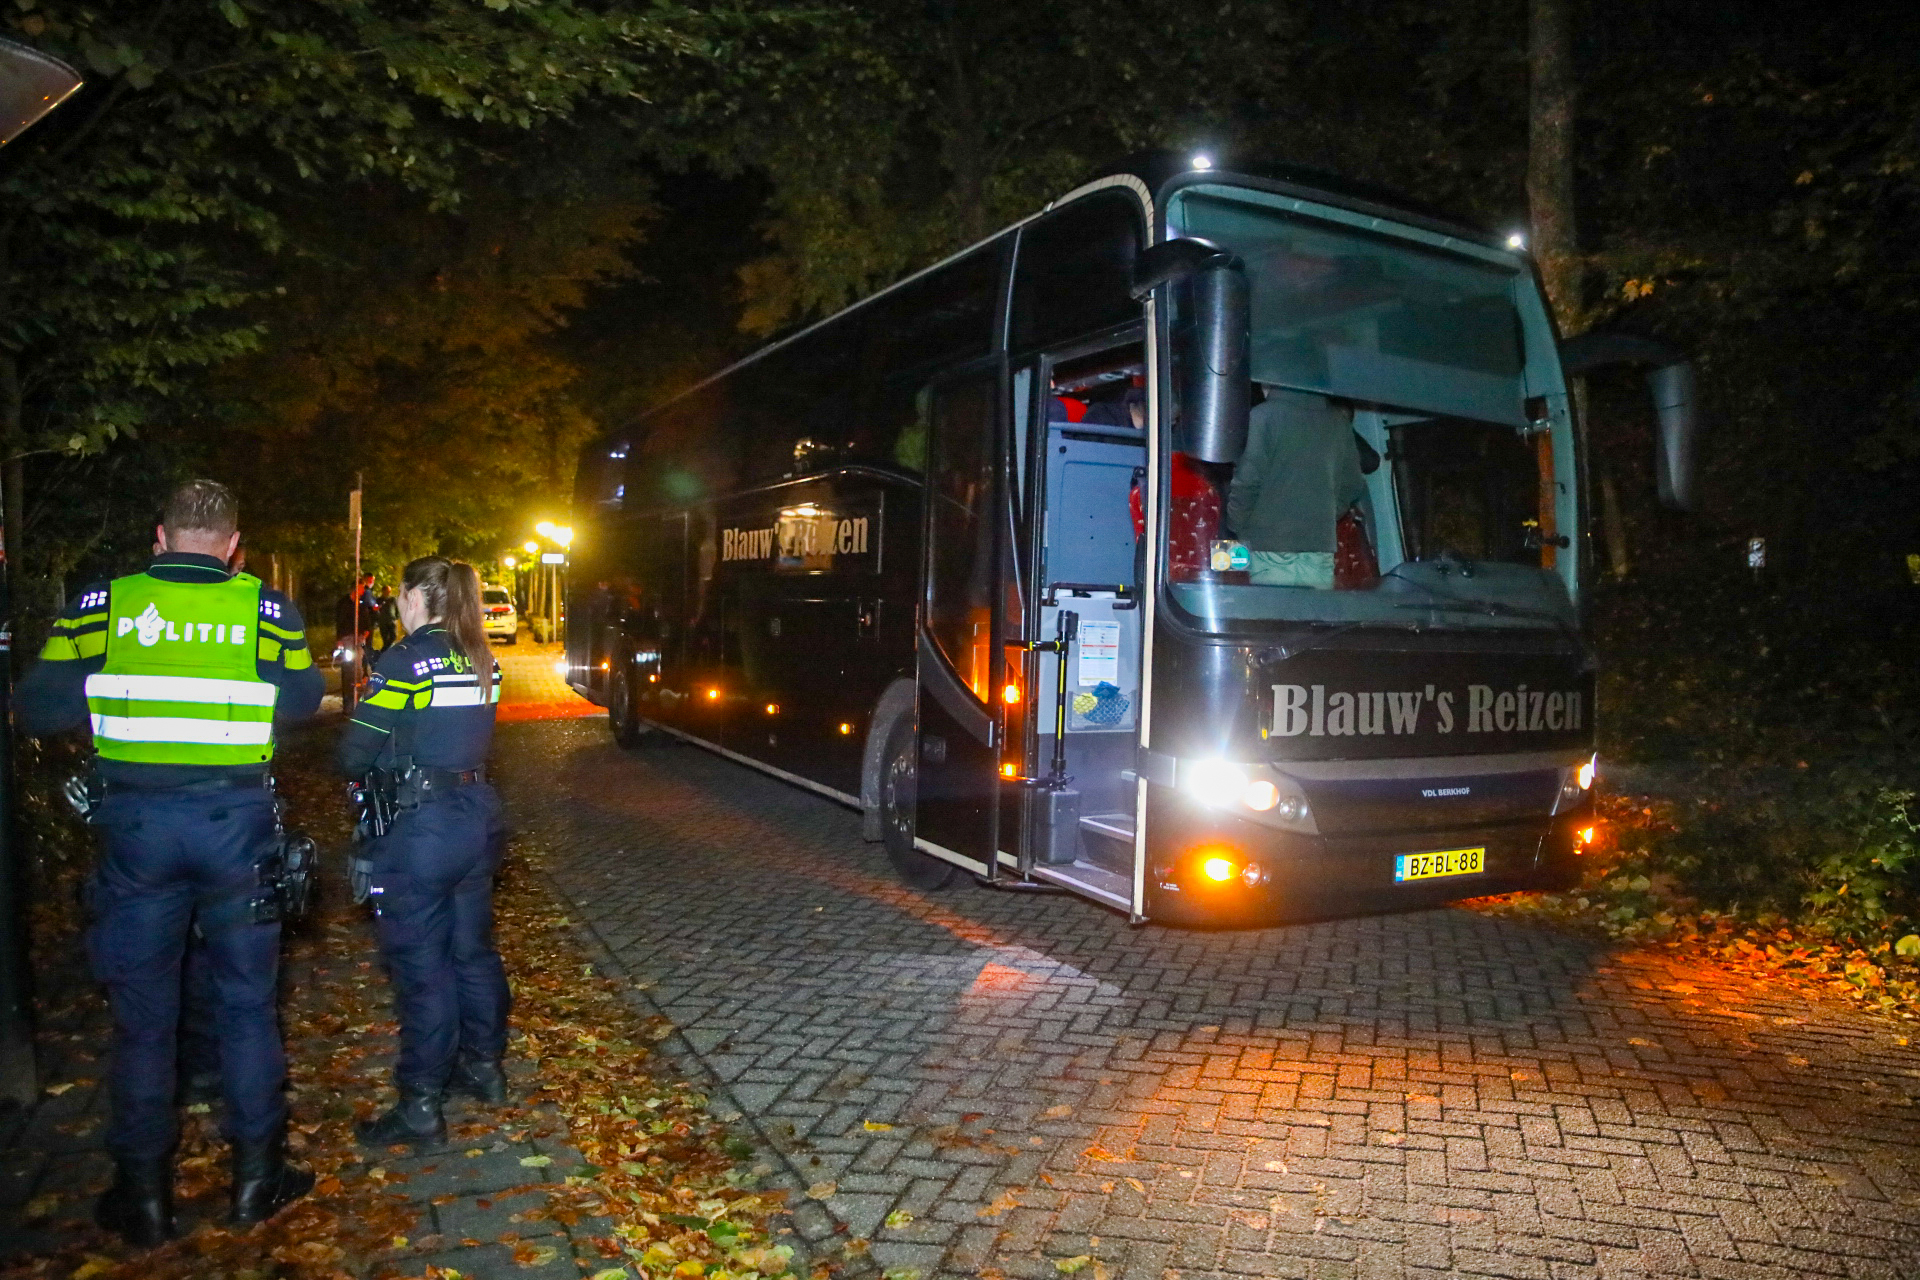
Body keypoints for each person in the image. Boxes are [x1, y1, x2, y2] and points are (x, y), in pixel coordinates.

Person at [16, 479, 324, 1244]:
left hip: (137, 832)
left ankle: (144, 1198)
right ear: (232, 546)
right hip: (235, 829)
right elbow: (300, 702)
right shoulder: (266, 609)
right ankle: (257, 1181)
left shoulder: (102, 606)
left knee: (144, 1021)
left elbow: (35, 708)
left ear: (159, 538)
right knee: (248, 1007)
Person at [339, 556, 509, 1147]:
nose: (396, 607)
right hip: (476, 817)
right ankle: (485, 1069)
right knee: (472, 951)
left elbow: (356, 749)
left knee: (422, 967)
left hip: (423, 829)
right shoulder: (484, 658)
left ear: (415, 598)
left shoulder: (408, 660)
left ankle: (420, 1105)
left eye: (399, 597)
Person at [1226, 386, 1369, 589]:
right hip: (1319, 547)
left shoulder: (1262, 417)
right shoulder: (1338, 422)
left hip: (1269, 546)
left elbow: (1247, 482)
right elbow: (1354, 484)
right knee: (1313, 617)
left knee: (1275, 617)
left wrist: (1236, 525)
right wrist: (1322, 516)